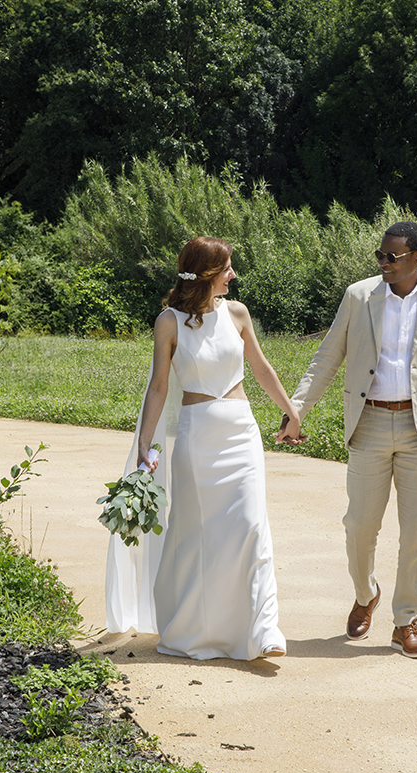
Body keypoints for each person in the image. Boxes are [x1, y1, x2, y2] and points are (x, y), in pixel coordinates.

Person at [281, 221, 417, 659]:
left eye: (393, 257)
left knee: (416, 532)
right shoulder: (359, 295)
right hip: (367, 424)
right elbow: (327, 356)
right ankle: (366, 593)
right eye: (380, 256)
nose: (384, 263)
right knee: (360, 526)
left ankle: (406, 621)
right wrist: (296, 411)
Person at [105, 236, 300, 660]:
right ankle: (192, 629)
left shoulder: (238, 313)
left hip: (240, 434)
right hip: (196, 437)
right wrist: (144, 445)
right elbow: (159, 386)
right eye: (228, 268)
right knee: (198, 535)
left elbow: (260, 367)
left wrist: (291, 411)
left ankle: (262, 630)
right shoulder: (169, 322)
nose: (234, 275)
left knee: (250, 526)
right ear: (208, 274)